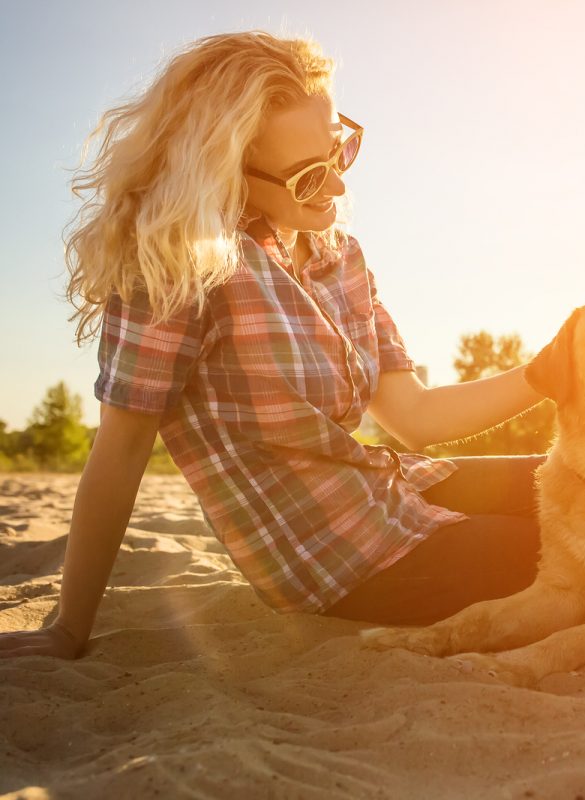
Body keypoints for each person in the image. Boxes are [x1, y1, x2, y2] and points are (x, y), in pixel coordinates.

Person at [0, 31, 547, 660]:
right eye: (310, 177)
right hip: (338, 559)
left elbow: (416, 419)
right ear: (222, 173)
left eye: (339, 152)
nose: (337, 189)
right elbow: (120, 452)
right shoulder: (178, 270)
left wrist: (552, 372)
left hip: (397, 489)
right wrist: (67, 629)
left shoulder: (337, 252)